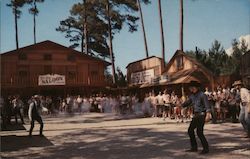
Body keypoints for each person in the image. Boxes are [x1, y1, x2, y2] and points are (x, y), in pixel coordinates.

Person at [182, 81, 211, 154]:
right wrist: (181, 105)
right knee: (190, 130)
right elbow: (187, 102)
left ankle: (206, 148)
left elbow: (207, 105)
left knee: (199, 132)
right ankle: (194, 147)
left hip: (202, 115)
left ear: (195, 87)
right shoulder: (192, 96)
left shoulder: (202, 95)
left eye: (191, 87)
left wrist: (208, 114)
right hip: (196, 115)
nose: (190, 89)